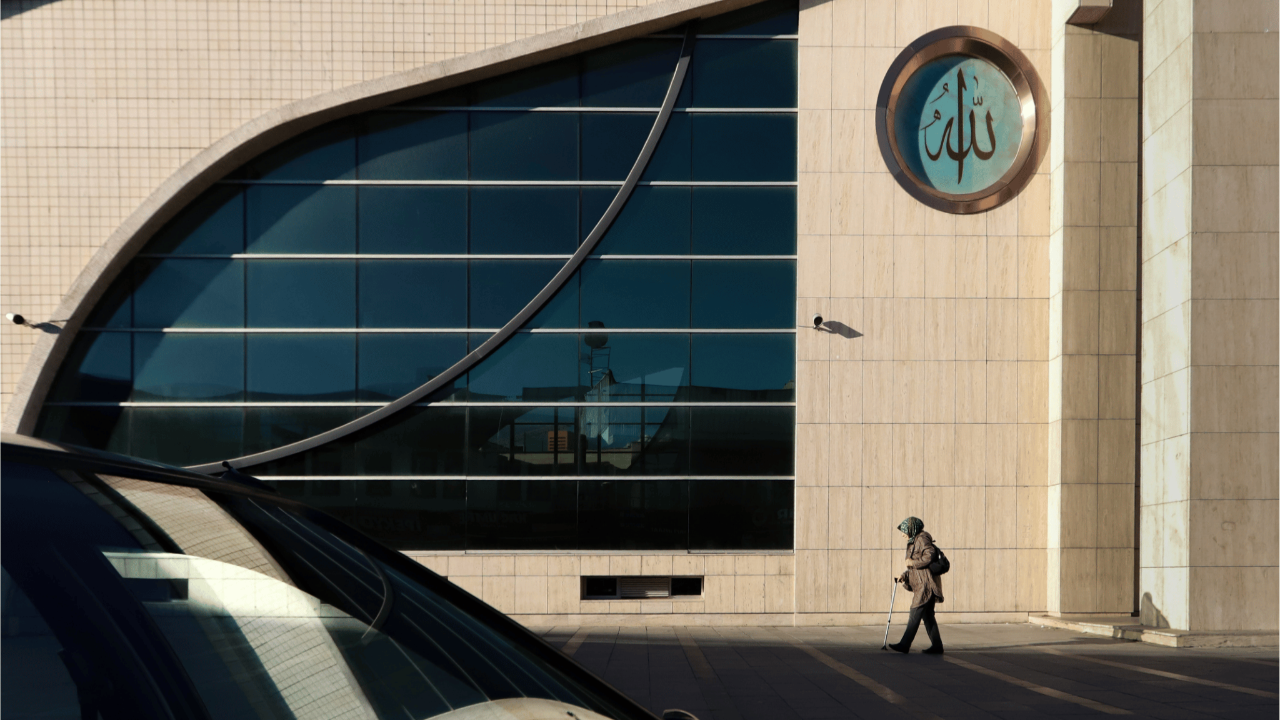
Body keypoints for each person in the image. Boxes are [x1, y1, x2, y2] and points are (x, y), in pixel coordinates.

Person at [887, 516, 944, 654]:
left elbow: (929, 556)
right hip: (923, 583)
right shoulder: (914, 541)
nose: (903, 534)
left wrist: (912, 563)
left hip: (926, 585)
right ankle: (937, 646)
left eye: (904, 530)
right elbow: (916, 568)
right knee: (928, 616)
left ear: (911, 529)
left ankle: (904, 644)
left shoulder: (922, 539)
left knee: (915, 612)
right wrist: (904, 576)